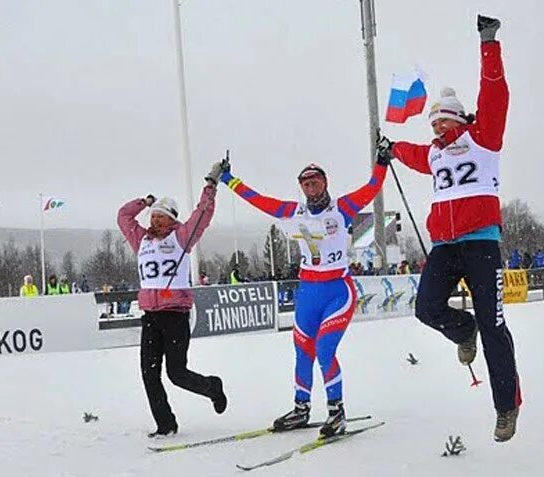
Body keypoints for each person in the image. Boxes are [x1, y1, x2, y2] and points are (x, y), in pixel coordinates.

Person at [379, 15, 521, 442]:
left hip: (480, 243)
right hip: (445, 246)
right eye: (435, 123)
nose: (438, 128)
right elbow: (413, 153)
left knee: (494, 324)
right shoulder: (436, 154)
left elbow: (495, 93)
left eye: (444, 121)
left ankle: (505, 406)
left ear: (459, 120)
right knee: (426, 308)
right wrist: (391, 150)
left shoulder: (483, 138)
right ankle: (463, 331)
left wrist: (488, 43)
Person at [216, 151, 389, 437]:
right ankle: (301, 408)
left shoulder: (341, 208)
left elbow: (372, 188)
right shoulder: (295, 213)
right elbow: (259, 201)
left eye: (315, 182)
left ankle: (337, 412)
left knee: (324, 349)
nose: (311, 188)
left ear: (325, 182)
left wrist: (382, 162)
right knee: (302, 352)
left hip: (337, 291)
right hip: (308, 292)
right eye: (306, 184)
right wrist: (229, 180)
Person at [117, 163, 228, 437]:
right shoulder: (140, 239)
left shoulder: (181, 237)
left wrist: (210, 185)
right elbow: (123, 217)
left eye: (161, 217)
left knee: (176, 373)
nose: (154, 221)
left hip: (176, 314)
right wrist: (144, 202)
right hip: (151, 317)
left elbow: (202, 215)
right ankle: (166, 424)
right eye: (153, 217)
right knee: (149, 374)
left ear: (172, 220)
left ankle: (212, 386)